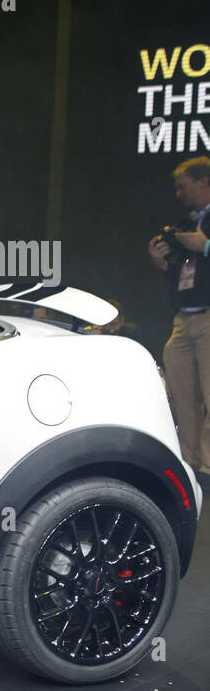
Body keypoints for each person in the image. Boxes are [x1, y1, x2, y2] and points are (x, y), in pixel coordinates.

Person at [147, 155, 210, 477]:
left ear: (203, 183)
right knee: (183, 396)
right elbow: (186, 275)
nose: (178, 194)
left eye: (183, 186)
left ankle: (209, 468)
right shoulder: (187, 224)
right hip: (184, 318)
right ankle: (190, 464)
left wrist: (207, 245)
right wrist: (163, 265)